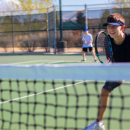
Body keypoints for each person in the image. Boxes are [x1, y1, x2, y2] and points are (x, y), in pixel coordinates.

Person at [82, 13, 130, 130]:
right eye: (109, 26)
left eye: (114, 26)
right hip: (119, 70)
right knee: (105, 90)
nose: (111, 29)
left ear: (122, 27)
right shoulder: (108, 41)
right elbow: (112, 60)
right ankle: (99, 124)